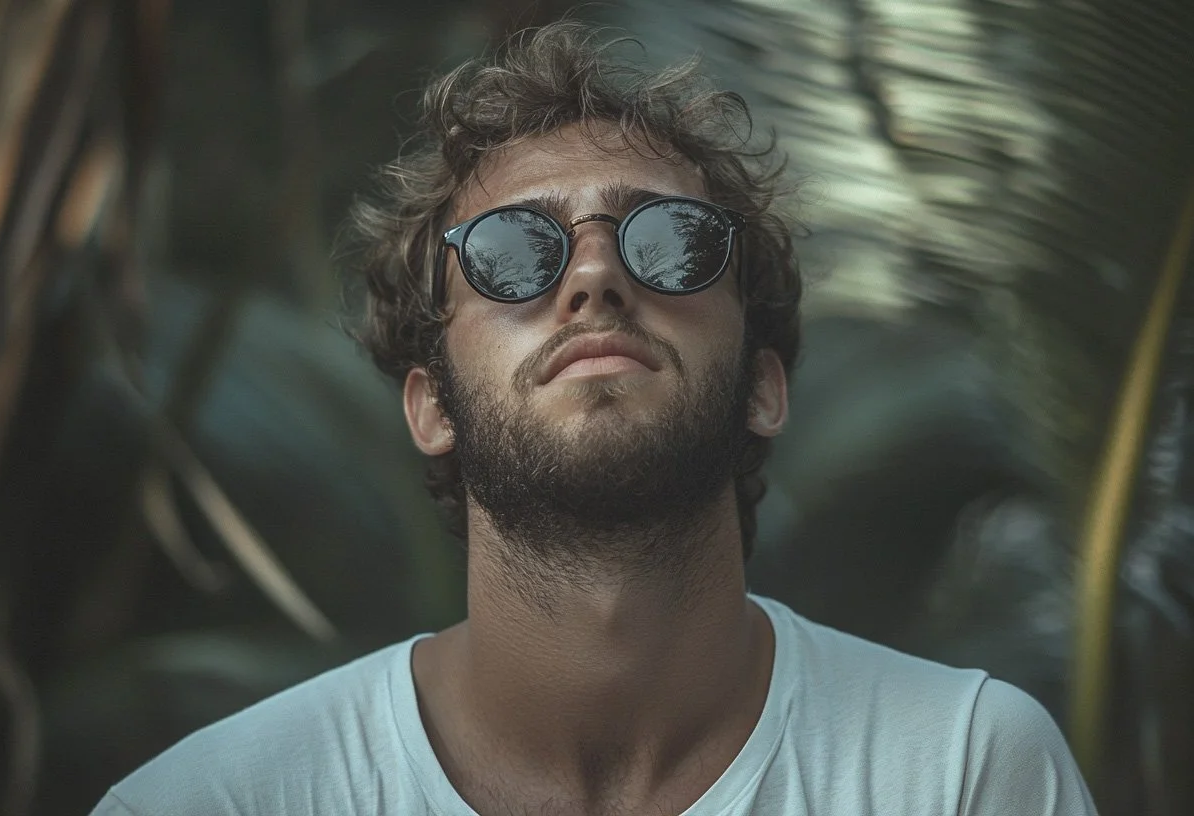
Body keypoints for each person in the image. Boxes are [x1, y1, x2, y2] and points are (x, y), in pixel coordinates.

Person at [91, 21, 1098, 816]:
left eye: (668, 240)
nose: (594, 275)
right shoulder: (215, 801)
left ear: (764, 385)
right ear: (430, 404)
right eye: (514, 251)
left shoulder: (964, 772)